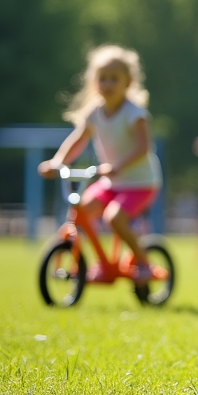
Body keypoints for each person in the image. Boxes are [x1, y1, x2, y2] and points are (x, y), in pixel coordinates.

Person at [39, 45, 162, 282]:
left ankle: (143, 262)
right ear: (94, 83)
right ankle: (102, 264)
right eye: (102, 78)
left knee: (114, 218)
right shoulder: (94, 112)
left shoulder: (133, 113)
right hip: (112, 182)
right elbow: (78, 140)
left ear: (128, 82)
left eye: (114, 79)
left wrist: (118, 166)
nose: (107, 84)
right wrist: (57, 162)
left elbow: (143, 147)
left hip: (140, 182)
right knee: (79, 210)